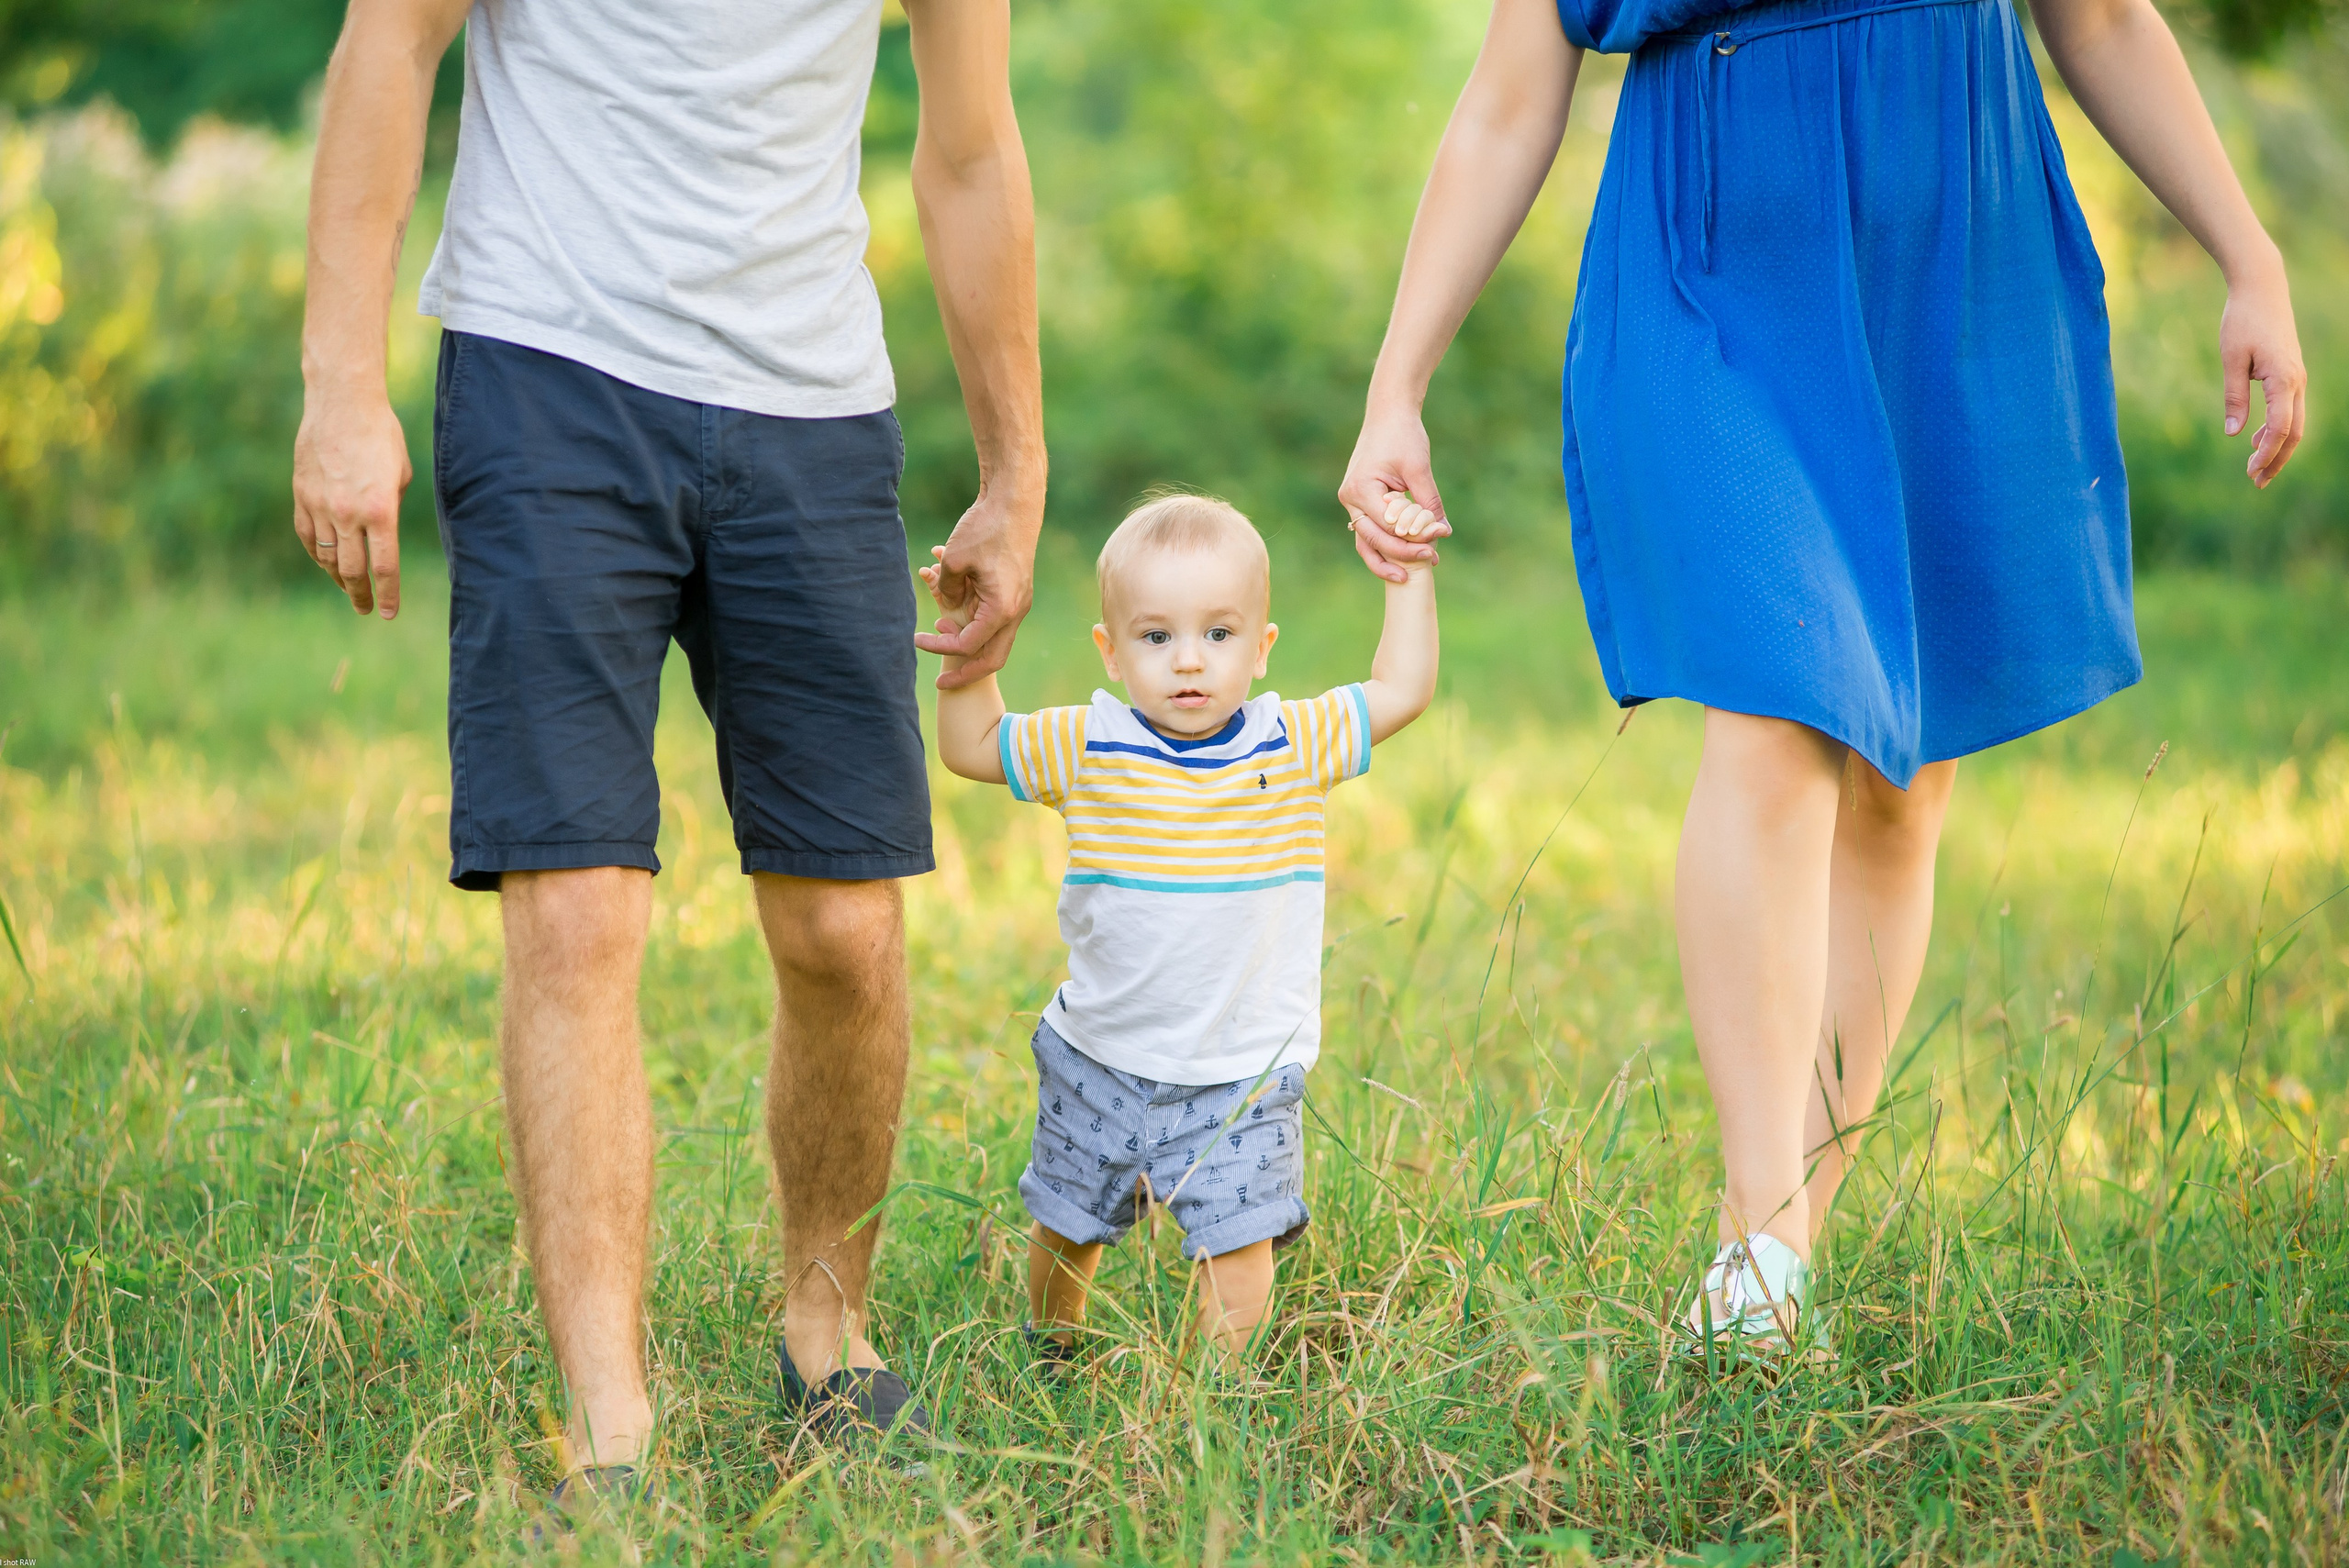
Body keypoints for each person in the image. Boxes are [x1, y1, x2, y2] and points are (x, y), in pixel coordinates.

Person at [1340, 0, 2305, 1353]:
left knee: (1903, 778)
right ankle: (1762, 1229)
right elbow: (1510, 98)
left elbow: (2098, 17)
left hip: (1956, 261)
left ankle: (1781, 1257)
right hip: (1715, 271)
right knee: (1782, 707)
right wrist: (1398, 389)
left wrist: (2248, 254)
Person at [289, 0, 1046, 1495]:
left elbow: (966, 148)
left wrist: (1016, 465)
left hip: (814, 405)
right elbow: (391, 42)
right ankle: (614, 1426)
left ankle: (828, 1331)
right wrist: (338, 384)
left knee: (842, 921)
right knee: (574, 905)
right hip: (546, 368)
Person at [923, 493, 1438, 1364]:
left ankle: (1216, 1404)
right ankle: (1053, 1349)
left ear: (1262, 646)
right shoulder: (1090, 742)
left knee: (1239, 1249)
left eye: (1219, 634)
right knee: (1067, 1222)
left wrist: (1409, 576)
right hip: (1100, 1061)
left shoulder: (1292, 741)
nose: (1188, 661)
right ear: (1112, 652)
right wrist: (973, 639)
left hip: (1243, 1073)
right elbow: (972, 747)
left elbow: (1402, 689)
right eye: (1156, 637)